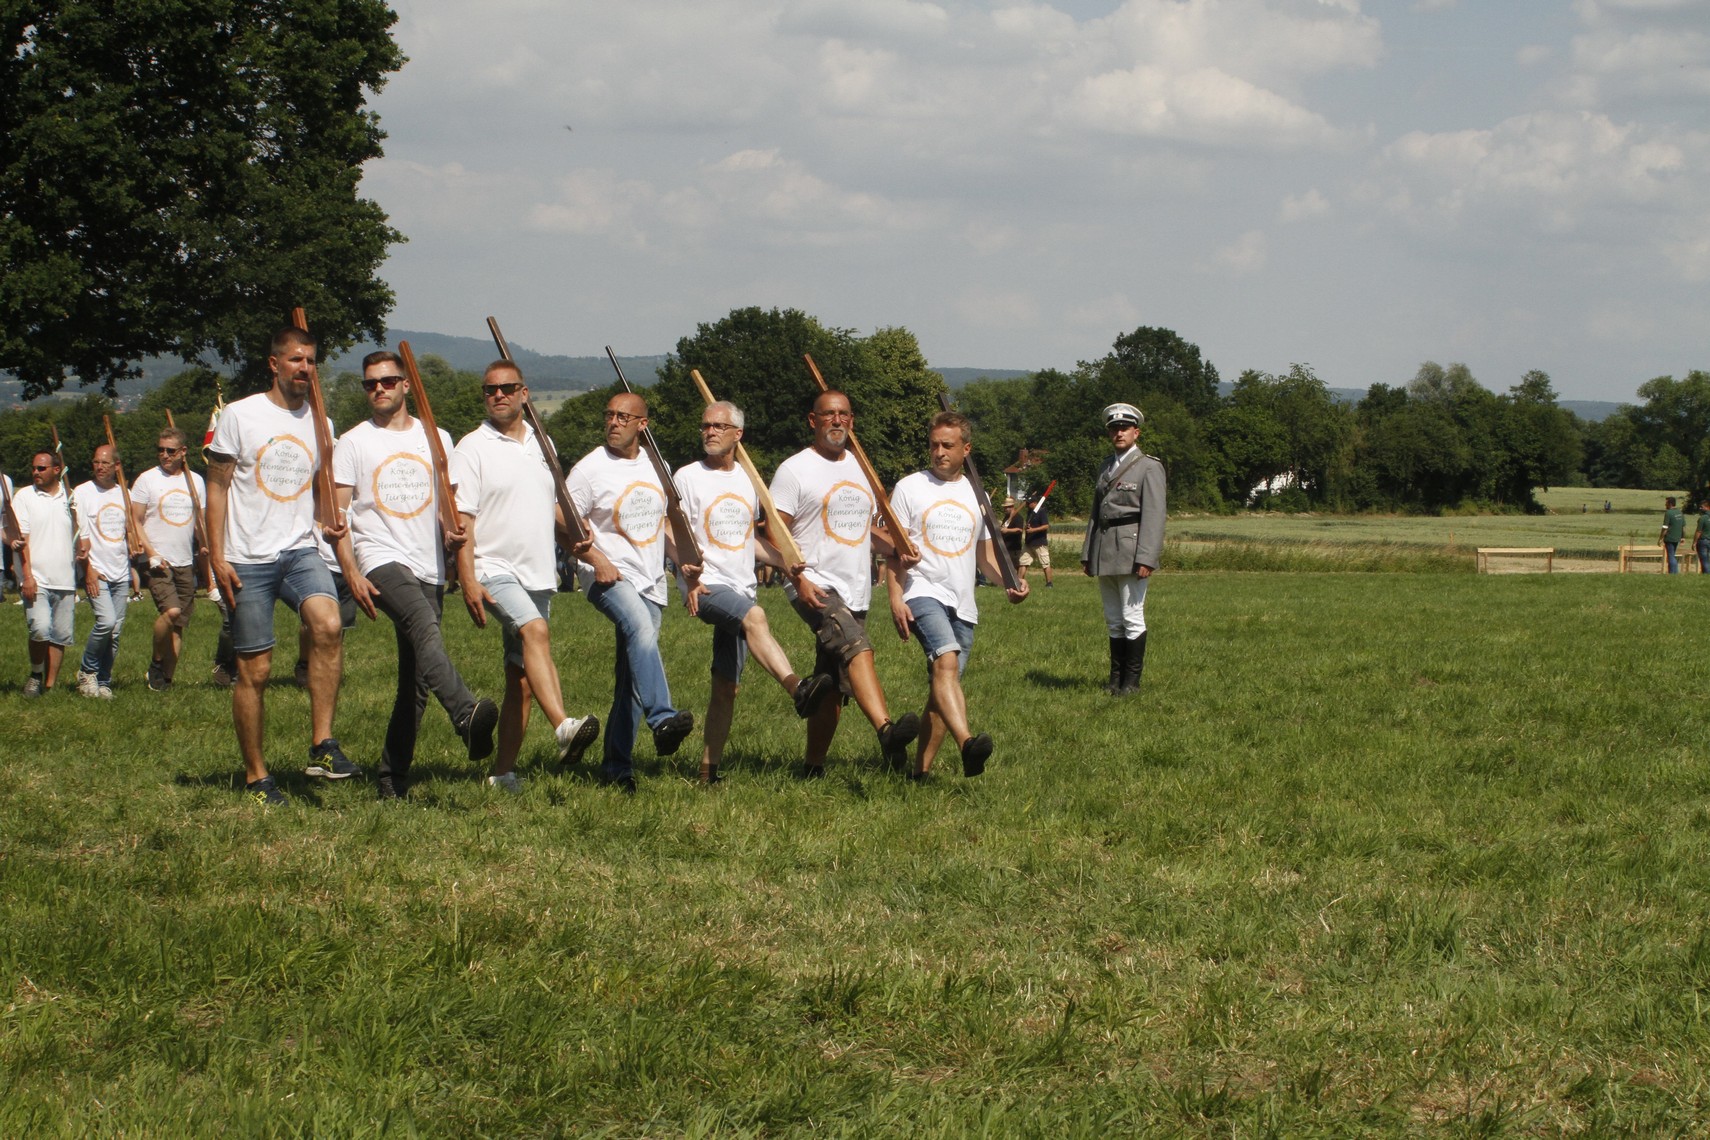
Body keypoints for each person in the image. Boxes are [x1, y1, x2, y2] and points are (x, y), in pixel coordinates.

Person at [334, 351, 500, 801]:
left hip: (427, 563)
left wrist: (451, 532)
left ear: (405, 385)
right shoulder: (353, 442)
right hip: (379, 558)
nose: (379, 389)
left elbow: (446, 502)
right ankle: (464, 713)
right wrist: (350, 569)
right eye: (370, 383)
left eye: (387, 381)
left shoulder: (437, 437)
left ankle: (391, 779)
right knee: (423, 624)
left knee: (417, 680)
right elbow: (337, 514)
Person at [205, 326, 360, 806]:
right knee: (256, 670)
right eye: (295, 359)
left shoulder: (321, 423)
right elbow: (216, 487)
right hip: (246, 557)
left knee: (329, 625)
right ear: (274, 364)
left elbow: (320, 489)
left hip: (299, 550)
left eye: (310, 361)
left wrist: (330, 521)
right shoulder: (240, 415)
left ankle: (323, 745)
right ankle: (257, 777)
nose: (304, 368)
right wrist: (215, 556)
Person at [451, 360, 600, 792]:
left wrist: (575, 528)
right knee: (535, 631)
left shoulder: (542, 442)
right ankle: (564, 728)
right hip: (493, 567)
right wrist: (468, 579)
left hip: (537, 573)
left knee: (521, 681)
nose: (497, 395)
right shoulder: (471, 448)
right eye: (489, 390)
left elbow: (547, 503)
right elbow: (463, 521)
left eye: (507, 388)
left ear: (524, 393)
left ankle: (502, 774)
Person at [673, 400, 835, 785]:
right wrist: (688, 574)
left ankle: (708, 773)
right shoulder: (687, 477)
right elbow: (671, 529)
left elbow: (751, 541)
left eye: (718, 426)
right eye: (705, 426)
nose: (709, 432)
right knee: (756, 617)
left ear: (738, 434)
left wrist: (784, 562)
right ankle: (798, 689)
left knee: (726, 686)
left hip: (741, 586)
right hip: (706, 586)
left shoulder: (749, 481)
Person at [769, 389, 920, 776]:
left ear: (852, 421)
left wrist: (897, 548)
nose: (837, 421)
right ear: (813, 421)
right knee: (856, 646)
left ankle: (812, 767)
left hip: (856, 588)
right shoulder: (794, 470)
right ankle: (886, 732)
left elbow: (865, 530)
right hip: (814, 584)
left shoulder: (860, 467)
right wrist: (798, 579)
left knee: (832, 683)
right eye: (828, 414)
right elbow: (774, 532)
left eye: (844, 415)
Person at [885, 411, 1028, 779]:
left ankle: (919, 773)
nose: (939, 452)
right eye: (934, 445)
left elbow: (985, 556)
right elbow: (894, 550)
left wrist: (1009, 583)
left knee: (942, 689)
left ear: (966, 449)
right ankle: (967, 743)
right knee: (946, 662)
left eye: (947, 445)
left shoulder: (977, 495)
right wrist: (895, 597)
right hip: (921, 591)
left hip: (963, 602)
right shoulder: (909, 487)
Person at [566, 392, 696, 793]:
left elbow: (663, 522)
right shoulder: (589, 469)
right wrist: (595, 558)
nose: (614, 422)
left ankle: (616, 767)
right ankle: (663, 719)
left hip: (651, 579)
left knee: (633, 679)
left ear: (643, 424)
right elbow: (562, 518)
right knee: (640, 630)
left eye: (624, 417)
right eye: (609, 415)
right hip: (607, 576)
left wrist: (681, 560)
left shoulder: (657, 466)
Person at [1081, 402, 1166, 696]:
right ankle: (1114, 680)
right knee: (1114, 619)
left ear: (1136, 432)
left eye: (1124, 428)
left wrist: (1147, 557)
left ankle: (1131, 682)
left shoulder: (1149, 467)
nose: (1119, 433)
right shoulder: (1106, 466)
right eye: (1114, 428)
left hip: (1131, 550)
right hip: (1104, 547)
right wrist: (1088, 552)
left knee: (1132, 617)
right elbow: (1096, 512)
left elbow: (1155, 515)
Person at [130, 427, 205, 689]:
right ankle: (156, 662)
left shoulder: (195, 481)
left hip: (185, 559)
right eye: (160, 450)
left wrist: (205, 545)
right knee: (171, 611)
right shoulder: (147, 480)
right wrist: (151, 553)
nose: (164, 455)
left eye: (170, 451)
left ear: (183, 452)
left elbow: (200, 521)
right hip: (157, 560)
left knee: (179, 623)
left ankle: (167, 680)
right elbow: (135, 521)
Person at [71, 444, 134, 699]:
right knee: (106, 622)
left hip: (121, 571)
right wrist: (88, 570)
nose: (99, 467)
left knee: (115, 632)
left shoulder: (125, 494)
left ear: (116, 466)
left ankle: (104, 680)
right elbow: (79, 537)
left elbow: (131, 530)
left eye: (105, 463)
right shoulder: (83, 492)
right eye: (96, 462)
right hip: (97, 570)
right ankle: (87, 672)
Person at [15, 449, 77, 697]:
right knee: (40, 629)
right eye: (34, 468)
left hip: (66, 578)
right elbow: (23, 540)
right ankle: (35, 674)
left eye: (41, 468)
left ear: (56, 470)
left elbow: (80, 535)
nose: (35, 472)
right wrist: (27, 576)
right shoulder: (24, 496)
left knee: (60, 636)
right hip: (36, 578)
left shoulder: (71, 497)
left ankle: (49, 688)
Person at [1022, 492, 1055, 587]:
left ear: (1035, 503)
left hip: (1039, 542)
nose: (1028, 505)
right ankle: (1019, 582)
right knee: (1023, 562)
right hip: (1029, 542)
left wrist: (1033, 530)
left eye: (1029, 503)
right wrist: (1027, 527)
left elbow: (1046, 526)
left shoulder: (1041, 512)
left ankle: (1049, 583)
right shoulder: (1030, 512)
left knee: (1045, 563)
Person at [1660, 496, 1685, 574]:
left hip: (1669, 537)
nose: (1665, 504)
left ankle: (1673, 573)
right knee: (1672, 554)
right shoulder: (1680, 513)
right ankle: (1674, 572)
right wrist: (1683, 537)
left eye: (1666, 503)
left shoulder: (1668, 513)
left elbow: (1665, 527)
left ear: (1670, 504)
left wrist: (1661, 538)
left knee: (1670, 556)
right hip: (1677, 537)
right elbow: (1683, 526)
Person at [999, 496, 1024, 571]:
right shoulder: (1006, 517)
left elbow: (1019, 530)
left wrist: (1007, 530)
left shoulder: (1018, 517)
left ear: (1011, 507)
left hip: (1014, 547)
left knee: (1015, 567)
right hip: (1006, 546)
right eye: (1004, 507)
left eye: (1006, 507)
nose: (1005, 509)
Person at [1696, 499, 1710, 575]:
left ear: (1707, 507)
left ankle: (1706, 575)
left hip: (1703, 541)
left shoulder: (1703, 518)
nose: (1700, 508)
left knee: (1704, 560)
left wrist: (1694, 542)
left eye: (1702, 507)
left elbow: (1699, 531)